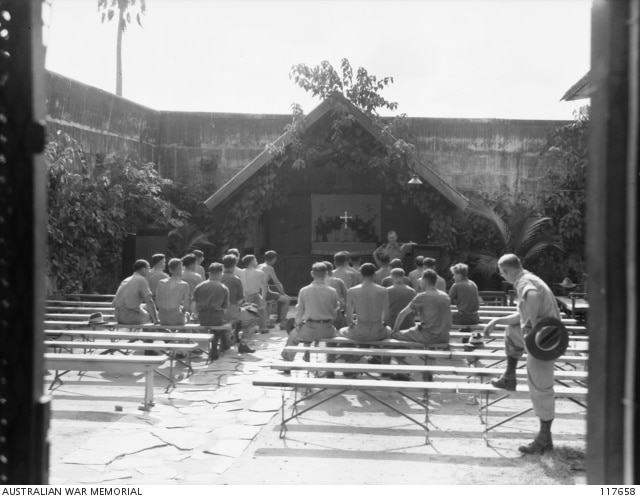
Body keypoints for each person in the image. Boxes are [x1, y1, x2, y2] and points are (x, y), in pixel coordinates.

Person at [482, 254, 562, 455]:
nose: (503, 276)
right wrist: (496, 321)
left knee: (540, 386)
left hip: (545, 341)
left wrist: (532, 327)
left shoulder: (524, 282)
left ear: (505, 271)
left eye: (502, 273)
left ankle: (544, 438)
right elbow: (521, 315)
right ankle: (509, 377)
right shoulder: (528, 278)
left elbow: (532, 297)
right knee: (511, 331)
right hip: (543, 334)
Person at [281, 262, 339, 362]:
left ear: (312, 273)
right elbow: (335, 312)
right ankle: (330, 362)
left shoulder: (304, 290)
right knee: (334, 338)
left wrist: (297, 324)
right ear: (326, 274)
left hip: (309, 328)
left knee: (293, 335)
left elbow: (300, 312)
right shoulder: (332, 291)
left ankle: (288, 361)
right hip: (327, 329)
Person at [392, 269, 451, 345]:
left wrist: (395, 330)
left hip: (430, 336)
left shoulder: (423, 296)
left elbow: (402, 313)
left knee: (395, 335)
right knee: (415, 329)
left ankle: (397, 356)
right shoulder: (445, 295)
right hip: (445, 336)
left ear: (424, 281)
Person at [341, 263, 390, 343]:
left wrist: (351, 324)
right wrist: (383, 324)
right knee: (389, 330)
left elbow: (349, 317)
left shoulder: (352, 290)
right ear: (375, 274)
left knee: (342, 330)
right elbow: (386, 315)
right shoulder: (383, 290)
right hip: (378, 332)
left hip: (360, 332)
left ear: (361, 274)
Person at [112, 259, 158, 324]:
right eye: (149, 268)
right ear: (143, 270)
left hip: (117, 315)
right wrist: (156, 320)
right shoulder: (142, 280)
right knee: (151, 316)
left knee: (147, 308)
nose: (150, 271)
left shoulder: (126, 279)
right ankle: (150, 333)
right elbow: (149, 301)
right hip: (128, 316)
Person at [220, 253, 249, 352]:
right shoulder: (236, 279)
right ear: (234, 265)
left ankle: (230, 337)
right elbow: (240, 300)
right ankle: (243, 343)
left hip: (217, 311)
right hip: (230, 309)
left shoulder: (217, 278)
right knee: (251, 318)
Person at [258, 250, 292, 330]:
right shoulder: (269, 268)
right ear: (273, 259)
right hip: (264, 291)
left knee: (273, 297)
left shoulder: (259, 265)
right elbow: (276, 282)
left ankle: (267, 321)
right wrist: (283, 293)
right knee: (287, 299)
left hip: (258, 291)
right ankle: (282, 322)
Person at [155, 258, 191, 325]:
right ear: (180, 268)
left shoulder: (161, 282)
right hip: (176, 319)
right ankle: (188, 334)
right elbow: (186, 307)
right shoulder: (184, 284)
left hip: (163, 318)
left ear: (170, 269)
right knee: (187, 315)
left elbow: (157, 303)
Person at [242, 254, 269, 334]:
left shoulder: (242, 272)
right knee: (262, 309)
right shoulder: (260, 273)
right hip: (255, 295)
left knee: (248, 312)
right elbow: (264, 287)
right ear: (251, 262)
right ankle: (263, 327)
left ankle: (250, 327)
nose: (257, 262)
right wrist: (263, 298)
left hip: (245, 296)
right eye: (255, 260)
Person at [449, 263, 480, 328]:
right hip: (476, 317)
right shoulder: (473, 284)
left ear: (459, 275)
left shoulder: (456, 285)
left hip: (463, 318)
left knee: (440, 317)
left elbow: (447, 302)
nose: (453, 277)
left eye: (454, 274)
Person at [323, 261, 348, 329]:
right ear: (331, 270)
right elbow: (347, 296)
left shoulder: (319, 283)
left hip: (323, 313)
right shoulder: (338, 281)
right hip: (338, 312)